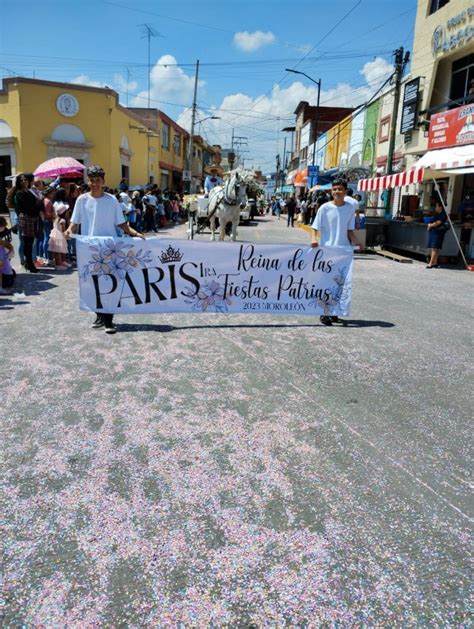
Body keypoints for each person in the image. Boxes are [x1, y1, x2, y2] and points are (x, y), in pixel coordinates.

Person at [64, 165, 145, 334]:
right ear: (88, 181)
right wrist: (69, 230)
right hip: (89, 248)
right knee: (93, 283)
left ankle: (109, 320)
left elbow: (120, 223)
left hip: (109, 248)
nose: (95, 184)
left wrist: (135, 233)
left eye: (98, 181)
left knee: (109, 282)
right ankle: (99, 315)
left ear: (103, 181)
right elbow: (75, 221)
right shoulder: (82, 200)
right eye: (92, 180)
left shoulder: (111, 200)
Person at [310, 178, 361, 326]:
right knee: (326, 282)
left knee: (340, 284)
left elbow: (349, 230)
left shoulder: (349, 209)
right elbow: (315, 227)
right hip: (327, 251)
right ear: (331, 191)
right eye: (334, 189)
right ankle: (324, 313)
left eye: (340, 189)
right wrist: (314, 239)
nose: (337, 192)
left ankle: (335, 312)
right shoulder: (324, 208)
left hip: (343, 252)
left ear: (345, 191)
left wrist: (357, 241)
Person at [14, 173, 41, 273]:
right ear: (18, 182)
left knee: (30, 241)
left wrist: (37, 207)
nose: (24, 181)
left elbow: (36, 204)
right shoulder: (20, 193)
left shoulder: (29, 192)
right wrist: (36, 209)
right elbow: (26, 207)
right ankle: (29, 264)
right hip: (26, 218)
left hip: (32, 218)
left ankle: (29, 263)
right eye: (21, 180)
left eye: (25, 179)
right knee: (27, 242)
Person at [426, 199, 448, 269]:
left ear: (440, 207)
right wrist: (429, 224)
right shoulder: (437, 214)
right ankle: (435, 263)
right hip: (434, 232)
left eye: (436, 206)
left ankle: (431, 263)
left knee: (434, 248)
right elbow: (432, 220)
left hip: (438, 232)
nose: (435, 207)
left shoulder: (443, 214)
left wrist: (431, 225)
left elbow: (439, 222)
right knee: (436, 248)